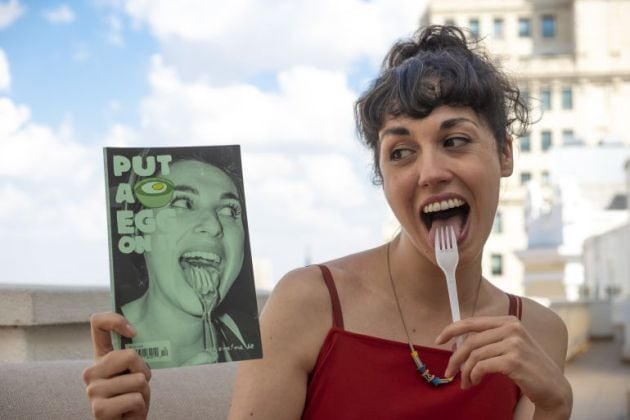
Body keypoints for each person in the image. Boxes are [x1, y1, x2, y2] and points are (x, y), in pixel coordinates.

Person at [83, 26, 573, 419]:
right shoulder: (309, 302)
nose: (430, 173)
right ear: (382, 176)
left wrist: (556, 406)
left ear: (506, 154)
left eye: (455, 141)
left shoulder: (539, 333)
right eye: (401, 152)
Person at [106, 147, 260, 369]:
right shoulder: (110, 342)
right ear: (140, 230)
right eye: (182, 203)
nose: (213, 225)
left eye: (229, 210)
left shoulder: (248, 333)